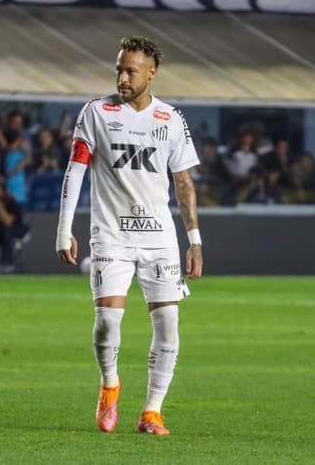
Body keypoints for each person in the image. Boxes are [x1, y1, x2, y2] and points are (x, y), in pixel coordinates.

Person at [55, 36, 203, 437]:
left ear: (151, 73)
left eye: (130, 70)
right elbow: (76, 170)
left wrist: (195, 240)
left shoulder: (171, 120)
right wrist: (64, 229)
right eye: (119, 68)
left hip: (159, 239)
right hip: (112, 236)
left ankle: (152, 412)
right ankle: (109, 384)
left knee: (168, 323)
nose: (122, 77)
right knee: (106, 321)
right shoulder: (96, 113)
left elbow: (184, 183)